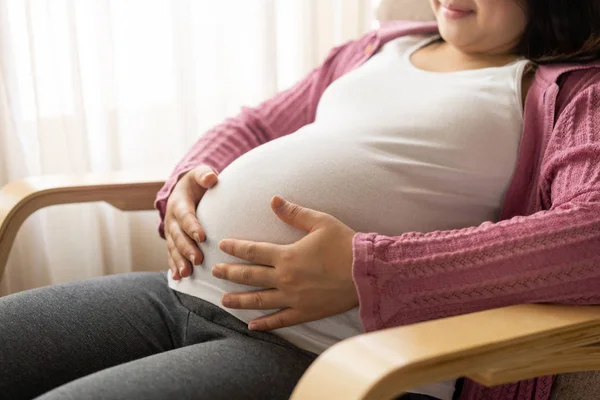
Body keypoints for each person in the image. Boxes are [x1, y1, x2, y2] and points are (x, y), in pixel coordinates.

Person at [2, 0, 600, 399]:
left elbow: (590, 237)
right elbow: (257, 125)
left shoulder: (574, 90)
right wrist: (191, 176)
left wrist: (373, 272)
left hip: (322, 355)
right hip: (176, 294)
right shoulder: (381, 47)